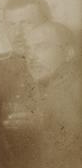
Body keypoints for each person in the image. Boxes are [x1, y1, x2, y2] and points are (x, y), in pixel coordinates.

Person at [0, 0, 52, 167]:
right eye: (11, 25)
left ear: (47, 24)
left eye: (26, 23)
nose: (17, 33)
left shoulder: (64, 67)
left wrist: (47, 121)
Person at [24, 22, 81, 168]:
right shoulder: (49, 88)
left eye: (41, 47)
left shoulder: (74, 91)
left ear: (68, 53)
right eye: (28, 49)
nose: (31, 57)